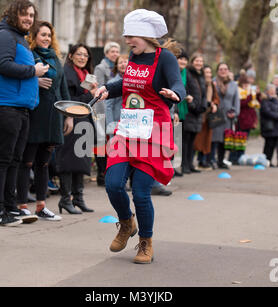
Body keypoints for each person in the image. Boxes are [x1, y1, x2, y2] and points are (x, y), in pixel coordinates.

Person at [95, 9, 186, 264]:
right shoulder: (134, 57)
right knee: (112, 184)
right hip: (128, 129)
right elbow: (126, 84)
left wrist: (175, 93)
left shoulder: (164, 58)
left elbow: (178, 83)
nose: (126, 41)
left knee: (141, 192)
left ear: (144, 35)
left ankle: (145, 241)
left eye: (130, 35)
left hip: (154, 132)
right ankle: (126, 223)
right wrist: (107, 88)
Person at [0, 0, 49, 226]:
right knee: (3, 159)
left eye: (32, 15)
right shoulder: (4, 36)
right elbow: (3, 65)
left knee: (14, 160)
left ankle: (10, 207)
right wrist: (33, 71)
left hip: (21, 108)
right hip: (4, 105)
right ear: (14, 15)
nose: (29, 19)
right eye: (24, 14)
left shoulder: (20, 39)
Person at [15, 21, 74, 221]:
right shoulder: (28, 55)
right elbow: (17, 76)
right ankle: (22, 205)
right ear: (34, 36)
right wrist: (35, 79)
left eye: (49, 35)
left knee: (43, 164)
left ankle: (41, 207)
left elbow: (63, 89)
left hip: (54, 117)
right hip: (34, 114)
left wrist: (69, 116)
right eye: (43, 34)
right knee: (27, 161)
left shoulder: (56, 59)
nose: (47, 38)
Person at [56, 43, 96, 214]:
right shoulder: (67, 72)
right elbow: (69, 98)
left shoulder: (87, 75)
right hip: (71, 119)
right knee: (68, 161)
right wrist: (89, 94)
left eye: (85, 55)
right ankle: (65, 199)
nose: (82, 58)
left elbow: (87, 99)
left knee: (81, 160)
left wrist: (94, 95)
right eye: (79, 54)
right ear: (71, 56)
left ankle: (78, 198)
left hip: (85, 120)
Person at [93, 42, 121, 187]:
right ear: (106, 53)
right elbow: (99, 89)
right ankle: (101, 173)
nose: (115, 54)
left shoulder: (117, 69)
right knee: (101, 142)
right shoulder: (100, 68)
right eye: (112, 51)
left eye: (117, 51)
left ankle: (108, 172)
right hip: (101, 110)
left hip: (113, 110)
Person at [181, 52, 207, 174]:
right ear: (192, 62)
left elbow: (204, 93)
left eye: (201, 62)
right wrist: (193, 106)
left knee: (193, 140)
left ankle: (190, 164)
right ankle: (184, 164)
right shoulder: (189, 74)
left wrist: (203, 106)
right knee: (185, 140)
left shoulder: (201, 76)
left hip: (198, 112)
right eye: (197, 61)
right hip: (189, 111)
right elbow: (186, 91)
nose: (199, 63)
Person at [211, 62, 240, 169]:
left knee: (224, 139)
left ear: (228, 71)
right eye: (221, 69)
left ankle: (221, 161)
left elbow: (236, 100)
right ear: (217, 71)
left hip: (228, 116)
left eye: (225, 69)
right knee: (214, 139)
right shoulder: (213, 82)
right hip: (215, 114)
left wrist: (235, 112)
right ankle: (211, 160)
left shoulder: (233, 84)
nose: (223, 71)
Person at [195, 64, 220, 170]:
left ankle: (203, 160)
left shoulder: (212, 85)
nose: (208, 75)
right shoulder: (199, 83)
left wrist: (214, 104)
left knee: (207, 140)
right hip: (199, 114)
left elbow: (216, 98)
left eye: (210, 72)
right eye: (206, 72)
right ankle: (196, 161)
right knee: (197, 140)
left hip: (209, 116)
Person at [232, 70, 259, 164]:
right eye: (244, 84)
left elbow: (256, 104)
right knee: (237, 139)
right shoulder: (239, 92)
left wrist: (257, 94)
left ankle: (240, 157)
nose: (246, 86)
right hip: (240, 119)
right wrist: (250, 96)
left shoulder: (250, 91)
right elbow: (241, 103)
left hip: (248, 120)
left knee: (243, 140)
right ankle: (234, 158)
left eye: (247, 84)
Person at [260, 84, 278, 165]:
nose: (274, 91)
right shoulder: (265, 100)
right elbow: (267, 111)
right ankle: (266, 160)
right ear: (268, 91)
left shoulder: (276, 100)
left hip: (277, 127)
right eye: (272, 90)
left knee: (274, 145)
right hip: (269, 126)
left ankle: (274, 161)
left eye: (274, 90)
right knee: (269, 145)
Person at [105, 54, 129, 136]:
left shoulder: (136, 81)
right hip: (117, 123)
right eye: (120, 62)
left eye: (125, 61)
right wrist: (111, 126)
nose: (123, 64)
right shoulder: (111, 83)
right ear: (116, 66)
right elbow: (108, 107)